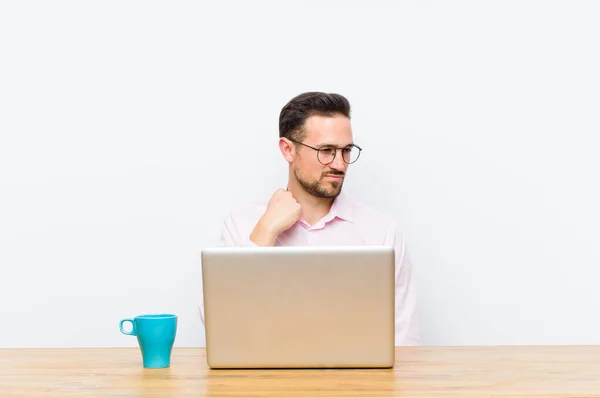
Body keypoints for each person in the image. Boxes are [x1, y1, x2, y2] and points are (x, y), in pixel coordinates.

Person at [201, 92, 420, 346]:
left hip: (358, 384)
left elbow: (405, 342)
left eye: (346, 151)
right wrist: (267, 230)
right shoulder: (242, 225)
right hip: (264, 383)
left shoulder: (383, 233)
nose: (339, 164)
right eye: (326, 151)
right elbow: (218, 321)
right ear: (287, 149)